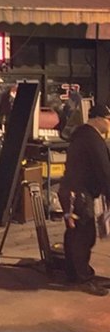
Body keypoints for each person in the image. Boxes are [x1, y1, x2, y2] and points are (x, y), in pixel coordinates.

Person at [58, 103, 110, 296]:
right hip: (79, 194)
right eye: (108, 119)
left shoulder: (82, 135)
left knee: (75, 234)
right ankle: (83, 279)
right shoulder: (91, 139)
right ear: (98, 119)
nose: (109, 124)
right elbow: (104, 171)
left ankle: (74, 274)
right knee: (84, 235)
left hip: (73, 192)